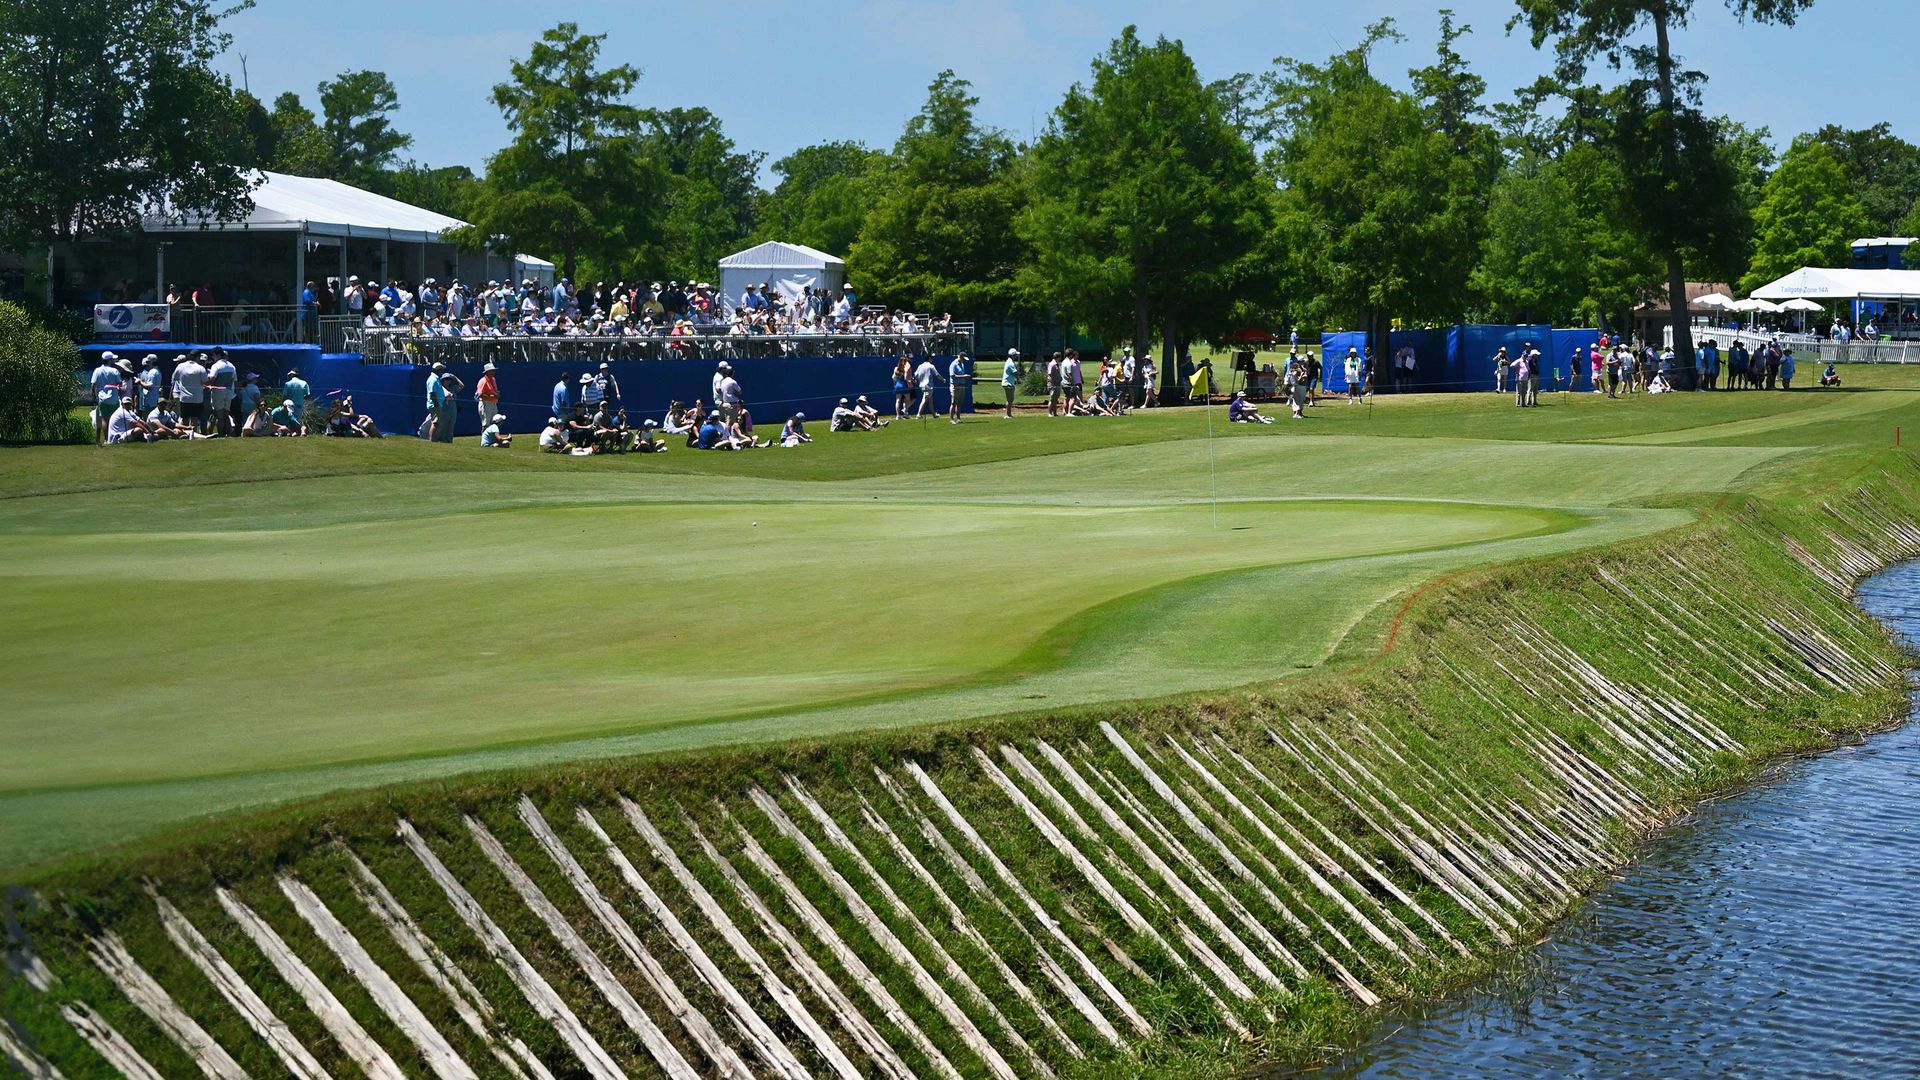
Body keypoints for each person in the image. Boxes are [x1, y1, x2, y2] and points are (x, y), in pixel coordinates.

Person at [170, 351, 209, 434]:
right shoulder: (200, 368)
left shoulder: (180, 366)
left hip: (184, 398)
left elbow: (175, 378)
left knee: (184, 418)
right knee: (194, 419)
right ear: (197, 357)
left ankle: (184, 434)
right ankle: (193, 435)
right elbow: (205, 382)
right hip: (197, 398)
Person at [205, 349, 237, 436]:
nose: (213, 357)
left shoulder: (216, 366)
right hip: (229, 392)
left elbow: (212, 379)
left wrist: (204, 383)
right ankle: (229, 433)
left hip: (218, 392)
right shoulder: (231, 366)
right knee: (226, 414)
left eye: (213, 355)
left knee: (220, 416)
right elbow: (235, 380)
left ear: (218, 355)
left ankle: (221, 434)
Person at [947, 353, 971, 424]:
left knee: (959, 403)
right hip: (955, 385)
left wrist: (964, 377)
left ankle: (958, 418)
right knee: (953, 402)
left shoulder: (962, 364)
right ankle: (951, 419)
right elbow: (952, 376)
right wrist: (964, 376)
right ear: (960, 357)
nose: (964, 361)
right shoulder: (953, 364)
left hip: (962, 385)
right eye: (963, 359)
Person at [1044, 352, 1063, 416]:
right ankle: (1049, 413)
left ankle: (1054, 413)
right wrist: (1052, 385)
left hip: (1057, 384)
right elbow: (1050, 375)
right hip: (1053, 385)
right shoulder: (1052, 364)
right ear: (1058, 357)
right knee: (1052, 400)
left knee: (1055, 400)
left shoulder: (1057, 364)